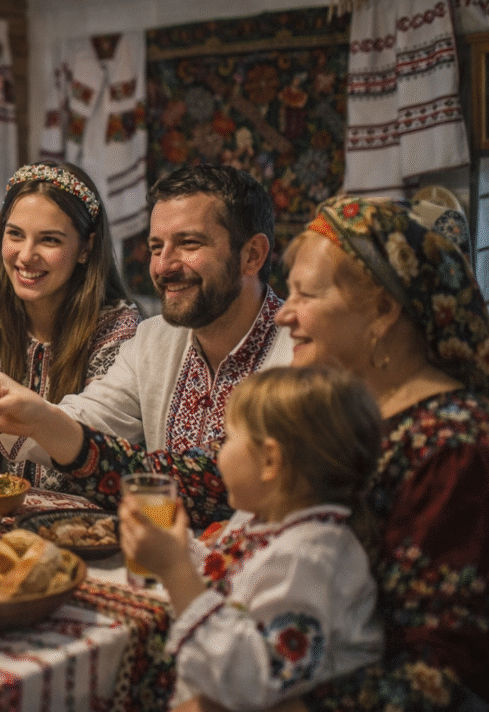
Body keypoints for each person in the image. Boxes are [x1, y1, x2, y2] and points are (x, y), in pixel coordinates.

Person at [172, 196, 489, 712]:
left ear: (383, 310)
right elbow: (212, 475)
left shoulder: (454, 448)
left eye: (305, 294)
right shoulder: (343, 413)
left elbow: (445, 681)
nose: (283, 315)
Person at [0, 164, 294, 528]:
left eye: (189, 243)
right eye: (156, 247)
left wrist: (43, 421)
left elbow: (213, 483)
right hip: (161, 560)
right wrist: (17, 411)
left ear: (252, 255)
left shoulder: (302, 353)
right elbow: (90, 418)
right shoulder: (155, 338)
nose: (163, 266)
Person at [121, 365, 383, 709]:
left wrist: (175, 570)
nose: (217, 453)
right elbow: (233, 579)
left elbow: (249, 685)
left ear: (270, 460)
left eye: (227, 439)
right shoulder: (279, 528)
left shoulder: (309, 558)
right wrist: (181, 549)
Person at [0, 160, 140, 490]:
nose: (26, 255)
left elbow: (101, 450)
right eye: (15, 234)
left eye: (49, 240)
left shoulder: (118, 328)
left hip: (82, 526)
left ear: (85, 249)